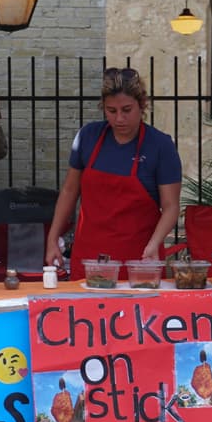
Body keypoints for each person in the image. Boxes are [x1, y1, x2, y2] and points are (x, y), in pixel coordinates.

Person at [45, 66, 182, 280]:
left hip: (139, 261)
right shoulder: (88, 137)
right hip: (88, 259)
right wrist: (53, 239)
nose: (119, 119)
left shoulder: (160, 145)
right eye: (111, 111)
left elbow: (171, 206)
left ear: (142, 105)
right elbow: (69, 192)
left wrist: (155, 243)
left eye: (127, 110)